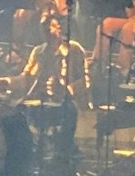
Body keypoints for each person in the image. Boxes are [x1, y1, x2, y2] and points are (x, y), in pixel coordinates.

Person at [18, 13, 90, 161]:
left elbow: (86, 80)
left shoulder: (74, 50)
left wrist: (66, 89)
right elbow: (25, 76)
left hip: (65, 100)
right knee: (17, 110)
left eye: (48, 27)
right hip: (39, 98)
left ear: (58, 29)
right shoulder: (38, 51)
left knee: (69, 111)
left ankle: (64, 150)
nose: (45, 32)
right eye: (42, 27)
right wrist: (5, 81)